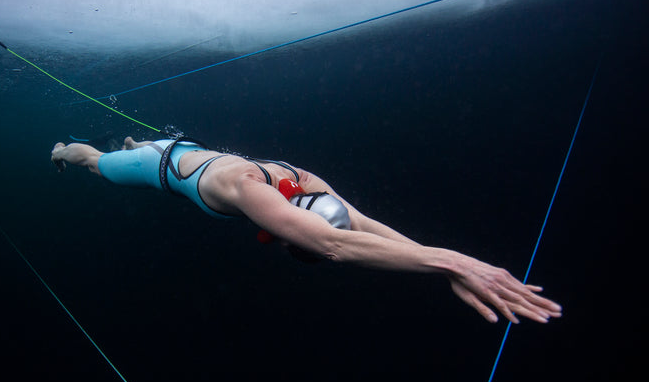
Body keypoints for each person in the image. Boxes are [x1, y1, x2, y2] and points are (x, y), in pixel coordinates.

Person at [51, 136, 562, 325]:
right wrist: (452, 262)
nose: (327, 205)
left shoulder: (306, 184)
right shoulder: (253, 190)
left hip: (179, 158)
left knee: (131, 152)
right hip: (154, 168)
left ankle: (135, 144)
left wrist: (437, 263)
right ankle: (63, 151)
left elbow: (360, 225)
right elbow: (337, 243)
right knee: (98, 164)